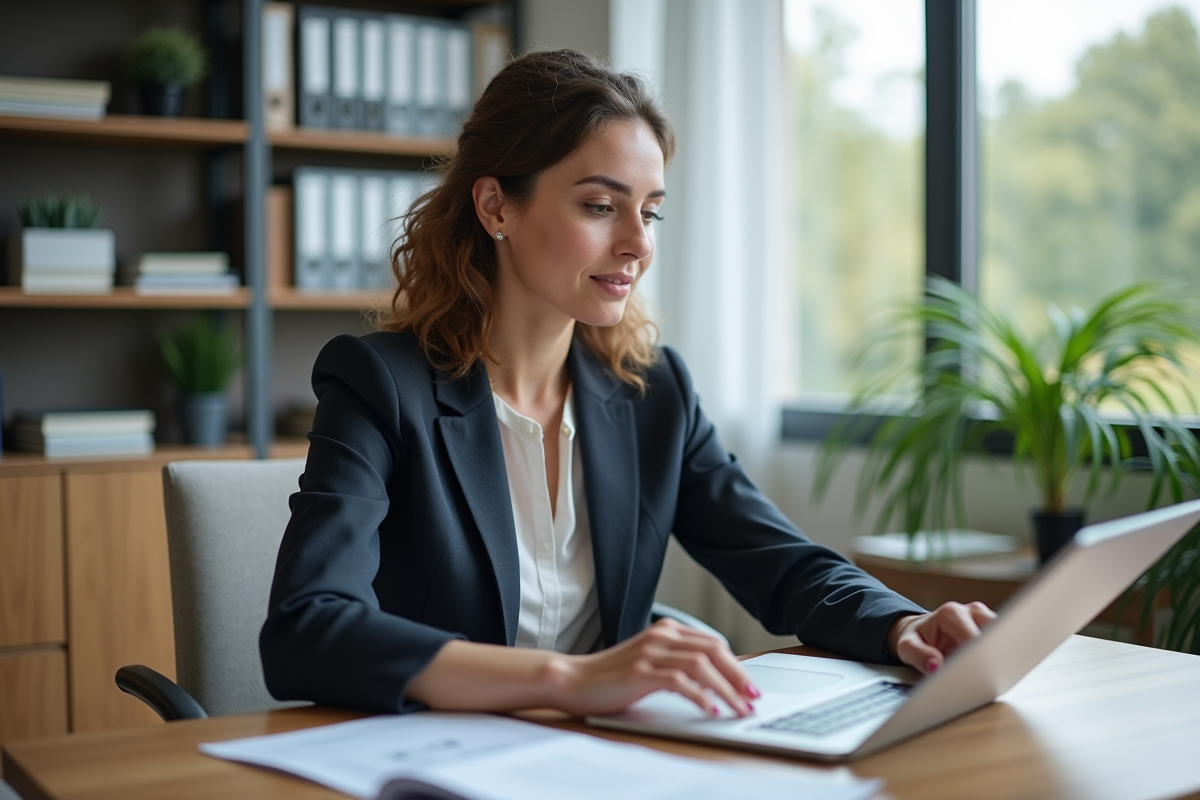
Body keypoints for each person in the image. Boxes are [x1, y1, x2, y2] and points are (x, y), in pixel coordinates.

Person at [260, 49, 996, 720]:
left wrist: (904, 625)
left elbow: (782, 563)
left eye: (650, 212)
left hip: (598, 759)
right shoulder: (381, 385)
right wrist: (568, 679)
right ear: (495, 207)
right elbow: (308, 627)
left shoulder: (652, 393)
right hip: (430, 757)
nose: (638, 245)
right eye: (599, 205)